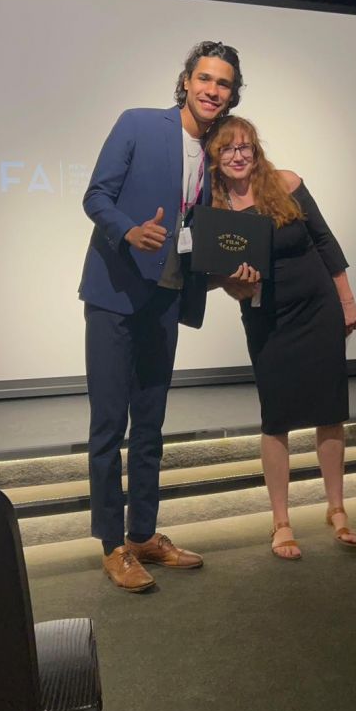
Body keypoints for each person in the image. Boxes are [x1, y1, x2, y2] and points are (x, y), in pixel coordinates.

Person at [79, 42, 259, 591]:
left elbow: (206, 234)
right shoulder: (138, 123)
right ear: (185, 81)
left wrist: (229, 275)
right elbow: (96, 196)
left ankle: (142, 535)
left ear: (232, 94)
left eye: (223, 83)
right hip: (114, 294)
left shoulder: (217, 152)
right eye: (205, 78)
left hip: (167, 298)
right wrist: (129, 231)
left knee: (150, 428)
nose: (212, 90)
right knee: (109, 427)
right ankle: (111, 545)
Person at [207, 116, 356, 559]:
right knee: (276, 418)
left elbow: (325, 243)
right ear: (215, 158)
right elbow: (210, 274)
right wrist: (232, 282)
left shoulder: (288, 183)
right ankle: (281, 522)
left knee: (329, 410)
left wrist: (347, 302)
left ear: (256, 150)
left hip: (318, 308)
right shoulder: (214, 209)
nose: (238, 156)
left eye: (245, 147)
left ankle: (337, 509)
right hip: (267, 317)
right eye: (227, 149)